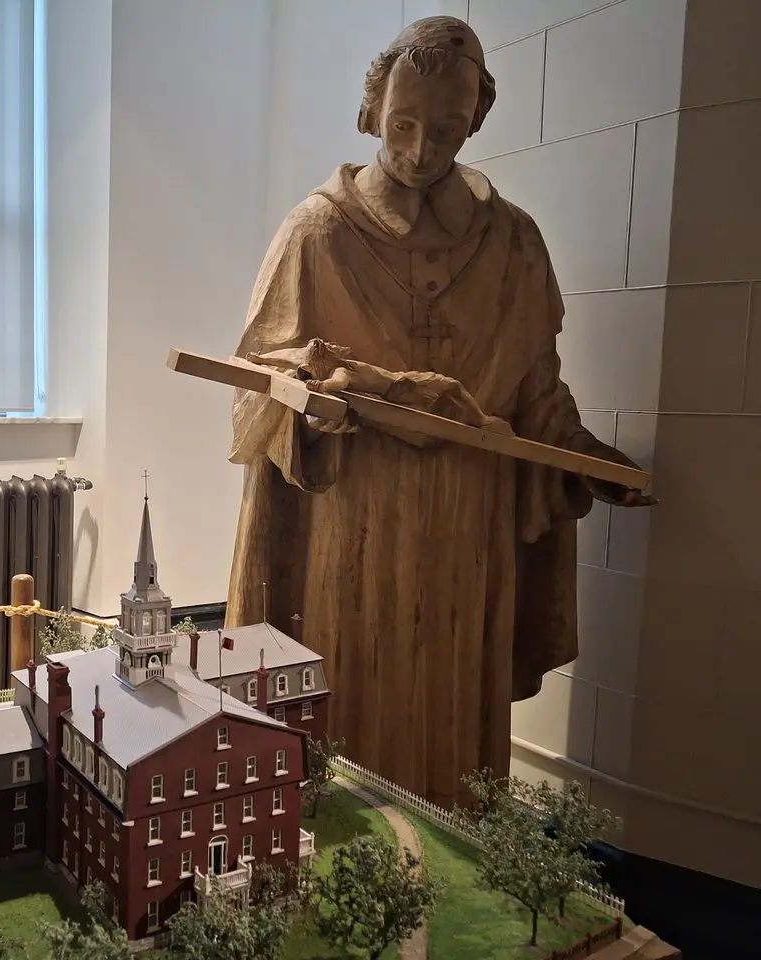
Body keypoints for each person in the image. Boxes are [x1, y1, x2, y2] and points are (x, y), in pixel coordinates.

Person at [225, 16, 654, 806]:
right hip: (354, 519)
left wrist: (585, 459)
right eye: (403, 125)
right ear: (372, 109)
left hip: (469, 527)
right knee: (352, 709)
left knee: (455, 724)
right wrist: (309, 409)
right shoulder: (318, 231)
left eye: (447, 131)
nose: (422, 150)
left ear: (475, 122)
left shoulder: (514, 244)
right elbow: (260, 375)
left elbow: (537, 391)